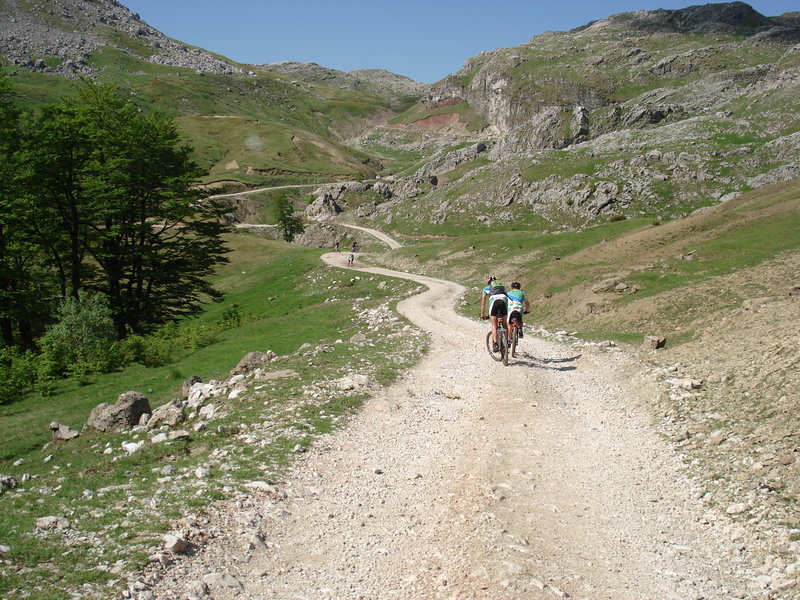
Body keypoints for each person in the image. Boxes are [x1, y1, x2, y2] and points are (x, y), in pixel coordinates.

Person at [480, 276, 508, 353]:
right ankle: (508, 340)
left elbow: (483, 302)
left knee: (494, 324)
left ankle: (495, 344)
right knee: (504, 323)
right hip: (503, 301)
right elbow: (507, 297)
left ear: (489, 283)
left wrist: (482, 314)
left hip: (494, 303)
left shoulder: (486, 288)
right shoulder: (503, 287)